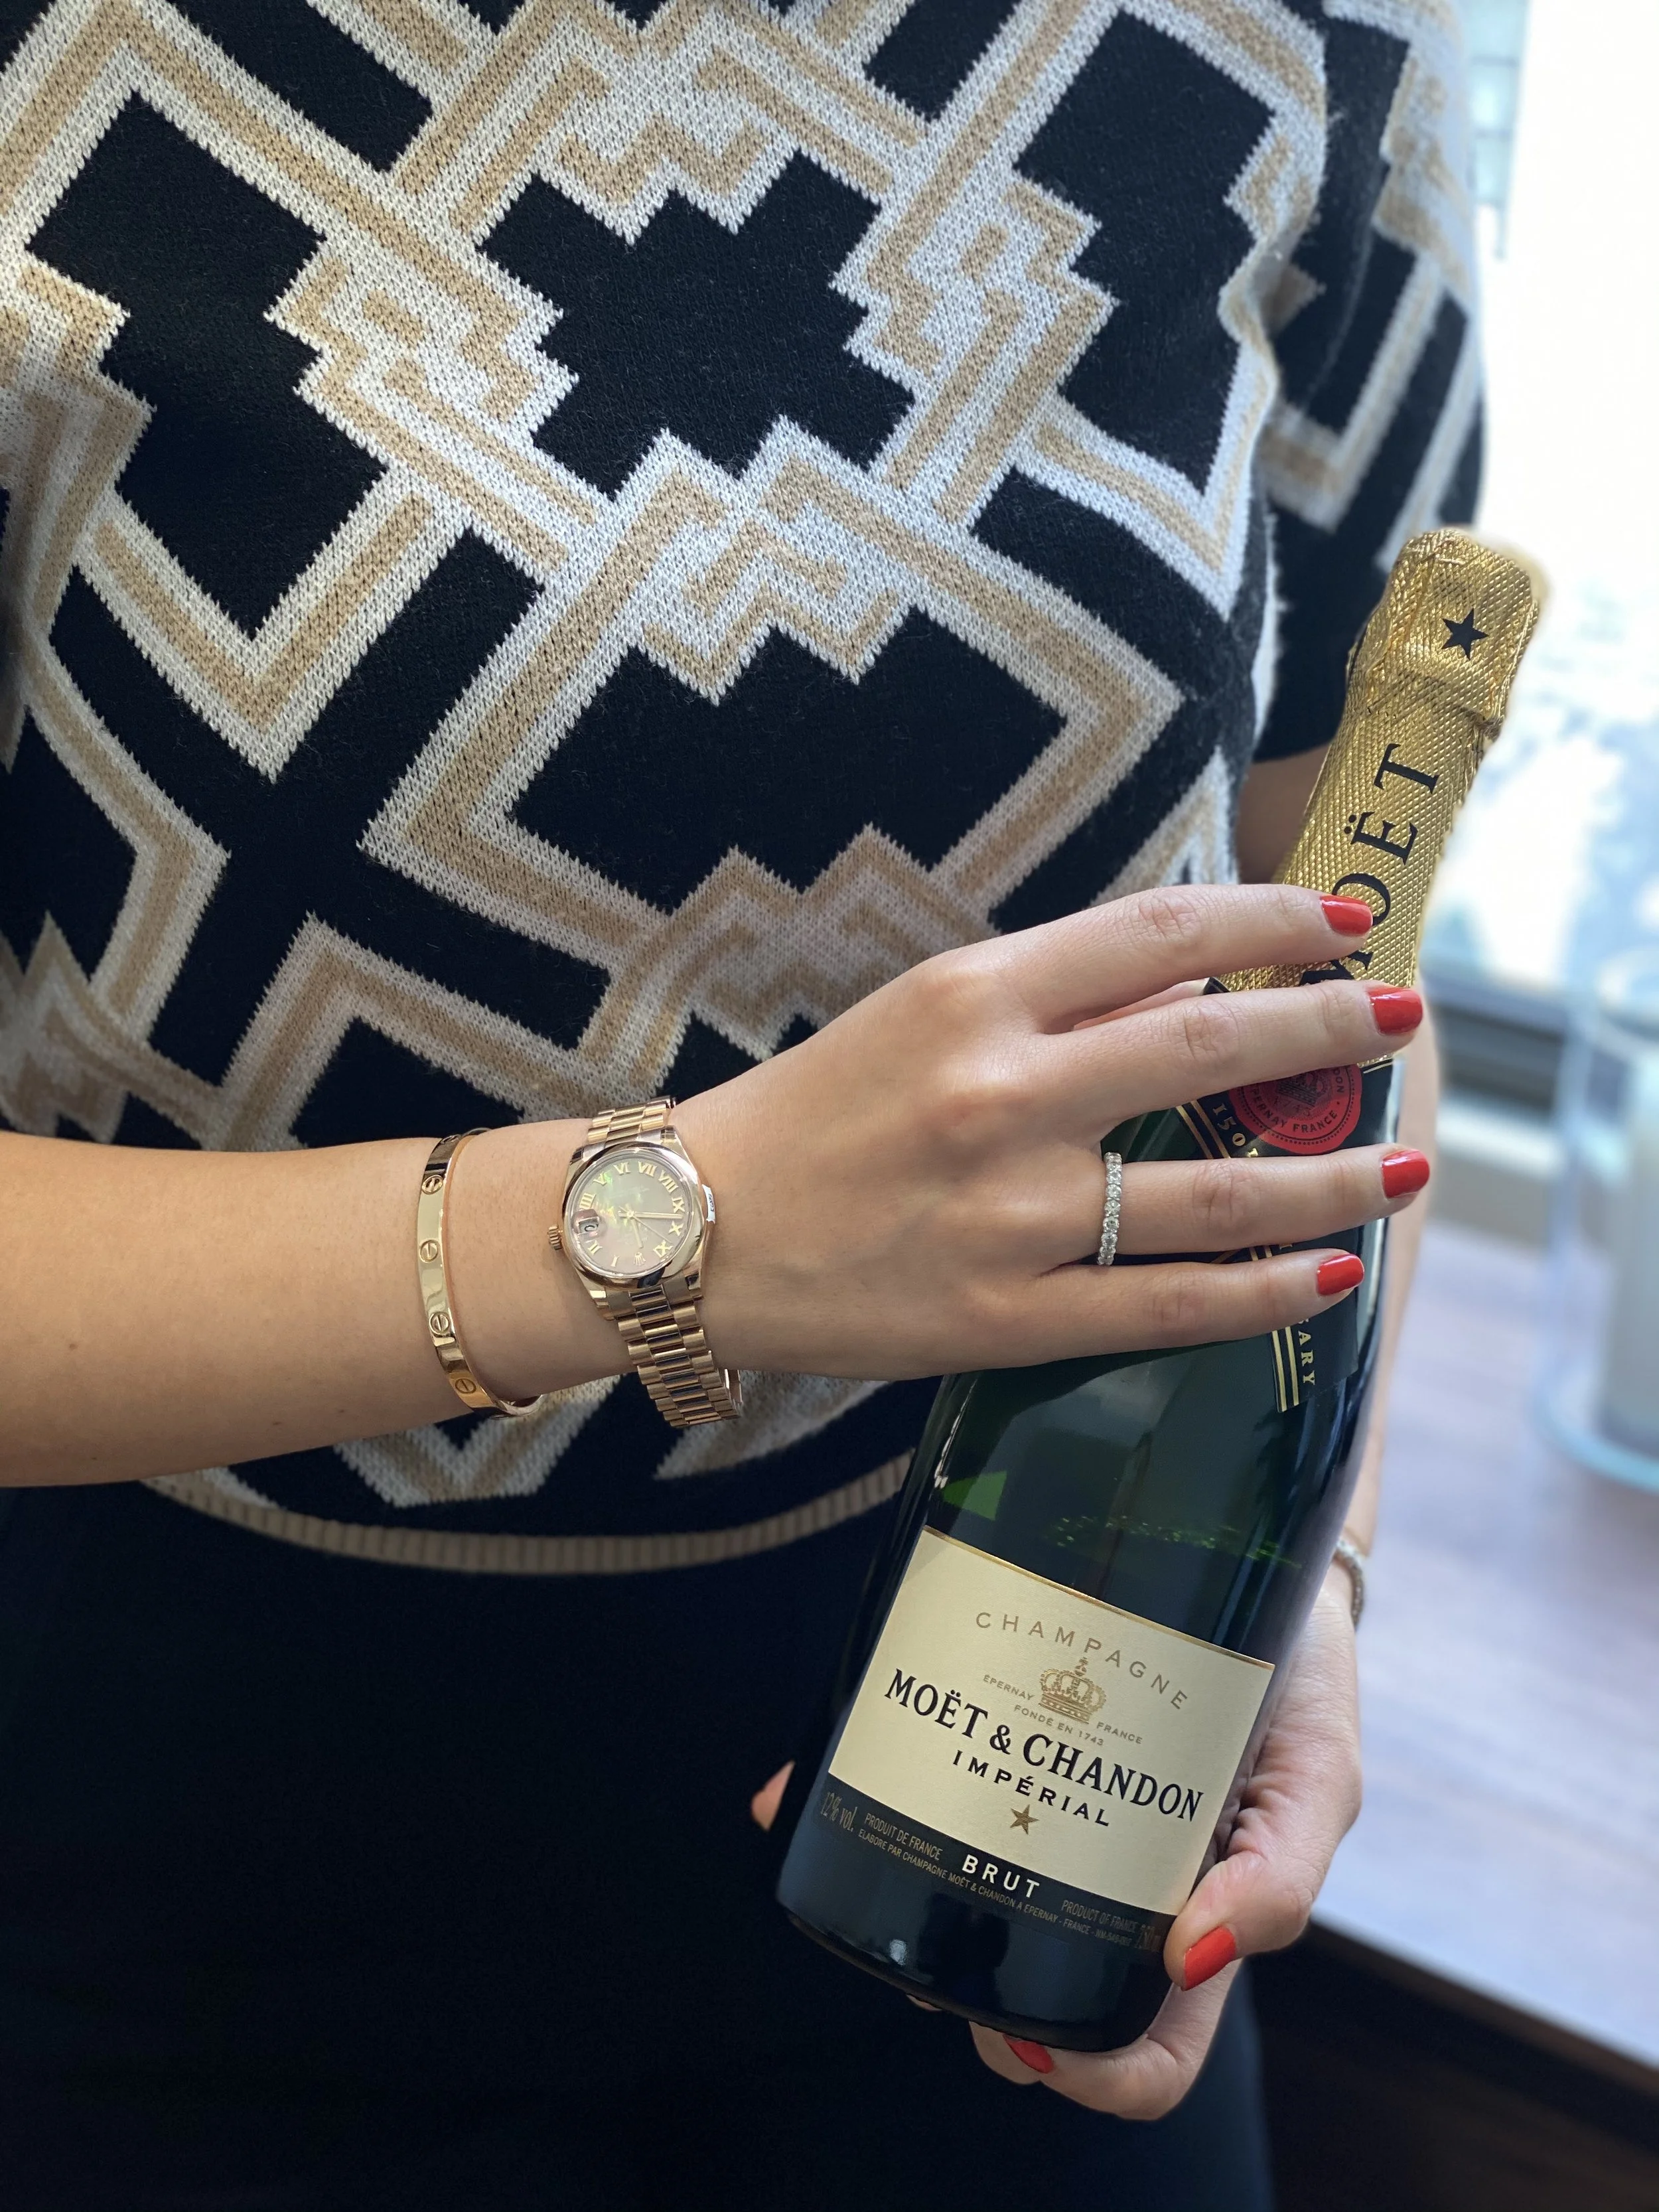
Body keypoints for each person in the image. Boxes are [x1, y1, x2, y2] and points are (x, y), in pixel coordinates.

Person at [0, 3, 1477, 2205]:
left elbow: (1327, 962)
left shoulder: (1327, 45)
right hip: (180, 1810)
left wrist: (1304, 1592)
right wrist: (681, 1221)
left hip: (1039, 1718)